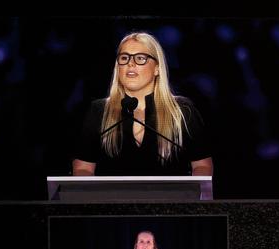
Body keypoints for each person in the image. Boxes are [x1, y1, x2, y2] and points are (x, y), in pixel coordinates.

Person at [73, 32, 213, 176]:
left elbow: (202, 166)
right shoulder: (99, 111)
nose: (130, 63)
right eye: (124, 58)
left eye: (140, 58)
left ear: (157, 68)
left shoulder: (182, 111)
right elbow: (83, 167)